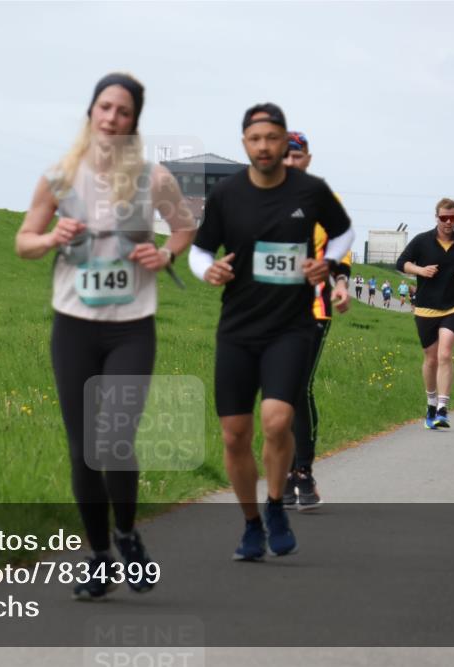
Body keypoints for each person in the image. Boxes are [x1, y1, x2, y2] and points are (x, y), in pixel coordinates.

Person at [15, 73, 195, 599]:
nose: (112, 118)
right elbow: (24, 241)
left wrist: (165, 254)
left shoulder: (153, 177)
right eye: (105, 107)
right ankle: (99, 557)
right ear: (90, 111)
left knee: (114, 440)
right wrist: (51, 237)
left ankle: (126, 533)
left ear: (134, 121)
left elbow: (183, 226)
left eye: (123, 111)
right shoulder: (59, 178)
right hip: (73, 326)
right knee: (82, 450)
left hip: (131, 328)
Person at [188, 104, 353, 560]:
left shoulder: (312, 191)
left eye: (273, 138)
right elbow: (199, 251)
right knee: (234, 435)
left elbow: (343, 233)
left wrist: (333, 267)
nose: (264, 146)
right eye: (255, 138)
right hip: (238, 328)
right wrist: (209, 271)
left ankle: (277, 500)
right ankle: (250, 524)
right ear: (245, 143)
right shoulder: (227, 194)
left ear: (285, 144)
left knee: (278, 419)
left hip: (292, 326)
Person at [279, 130, 352, 512]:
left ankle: (302, 473)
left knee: (296, 388)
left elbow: (341, 254)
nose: (289, 162)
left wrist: (340, 284)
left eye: (297, 156)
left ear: (307, 159)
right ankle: (286, 472)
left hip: (313, 310)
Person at [396, 197, 454, 429]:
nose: (448, 222)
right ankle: (431, 403)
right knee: (431, 358)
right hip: (425, 307)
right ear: (437, 217)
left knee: (445, 354)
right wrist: (420, 270)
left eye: (452, 218)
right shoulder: (422, 241)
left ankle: (443, 408)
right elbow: (401, 263)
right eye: (444, 218)